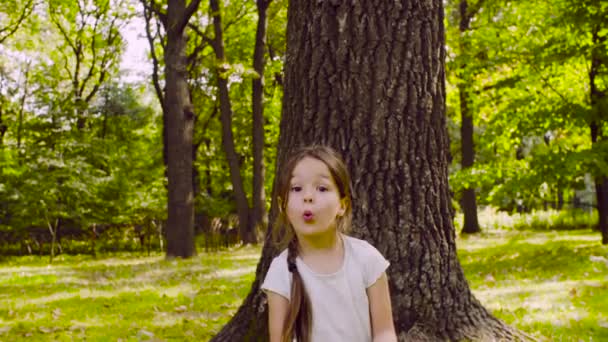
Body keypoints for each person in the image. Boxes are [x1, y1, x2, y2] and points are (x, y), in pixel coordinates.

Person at [262, 145, 397, 342]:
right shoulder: (280, 272)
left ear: (342, 205)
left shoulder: (368, 259)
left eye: (322, 188)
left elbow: (384, 332)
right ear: (283, 206)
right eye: (297, 188)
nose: (308, 197)